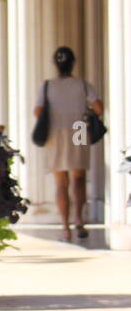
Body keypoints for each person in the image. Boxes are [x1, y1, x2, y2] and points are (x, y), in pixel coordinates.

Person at [34, 46, 104, 242]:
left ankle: (65, 226)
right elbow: (98, 107)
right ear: (73, 63)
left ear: (55, 64)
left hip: (55, 132)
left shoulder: (47, 86)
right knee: (79, 176)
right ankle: (79, 219)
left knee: (61, 181)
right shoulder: (82, 85)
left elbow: (38, 111)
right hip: (79, 128)